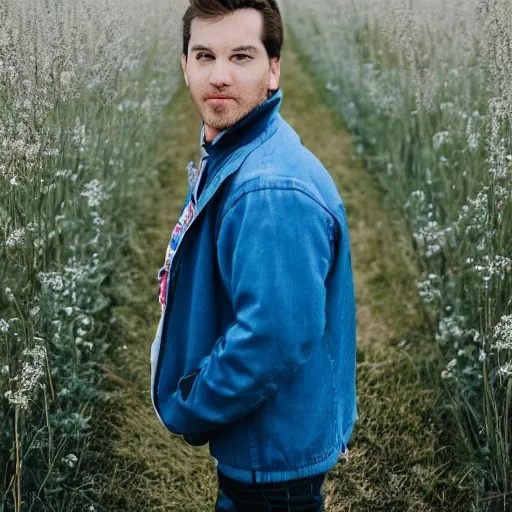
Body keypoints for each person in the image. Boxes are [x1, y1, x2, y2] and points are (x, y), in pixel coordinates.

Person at [149, 1, 357, 510]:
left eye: (241, 56)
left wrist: (192, 406)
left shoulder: (269, 190)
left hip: (273, 462)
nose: (219, 76)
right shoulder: (237, 151)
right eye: (204, 56)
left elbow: (271, 338)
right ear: (185, 65)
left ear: (273, 69)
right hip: (270, 444)